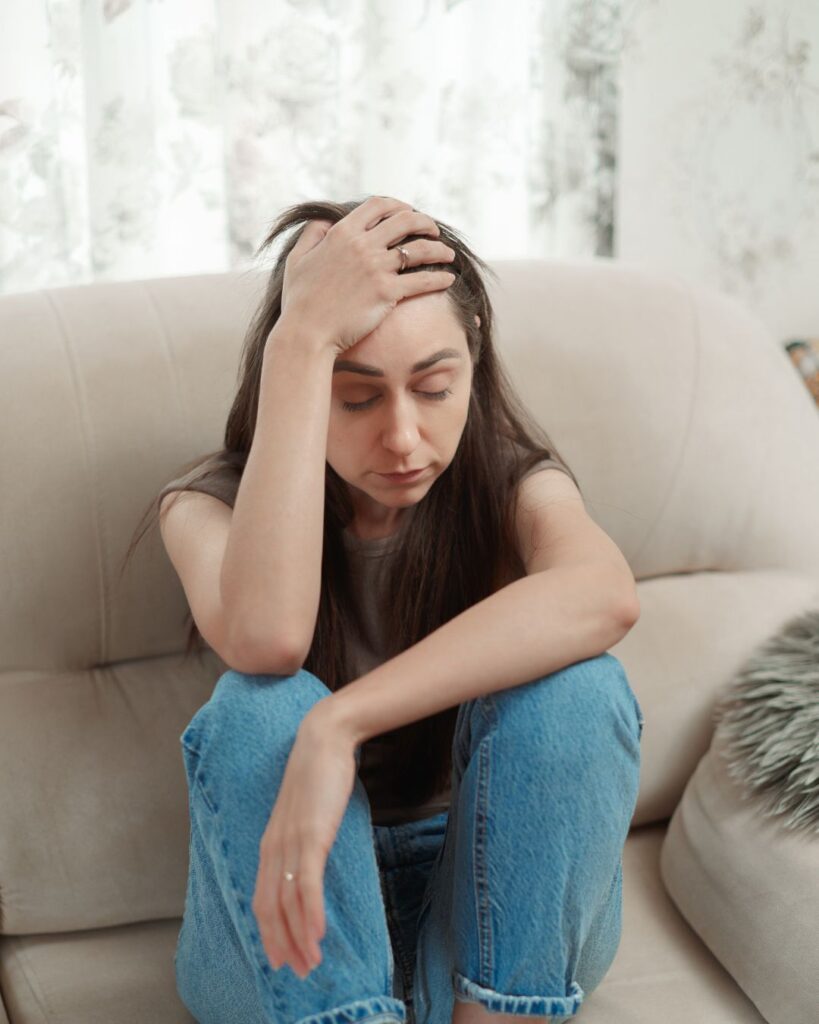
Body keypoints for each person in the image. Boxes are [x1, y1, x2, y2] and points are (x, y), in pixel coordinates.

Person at [122, 195, 644, 1024]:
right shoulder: (202, 506)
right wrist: (300, 338)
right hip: (292, 914)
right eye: (356, 398)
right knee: (263, 707)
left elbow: (603, 594)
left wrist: (343, 724)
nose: (403, 437)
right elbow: (268, 638)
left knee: (580, 690)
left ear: (472, 361)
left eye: (434, 387)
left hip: (489, 905)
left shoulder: (511, 486)